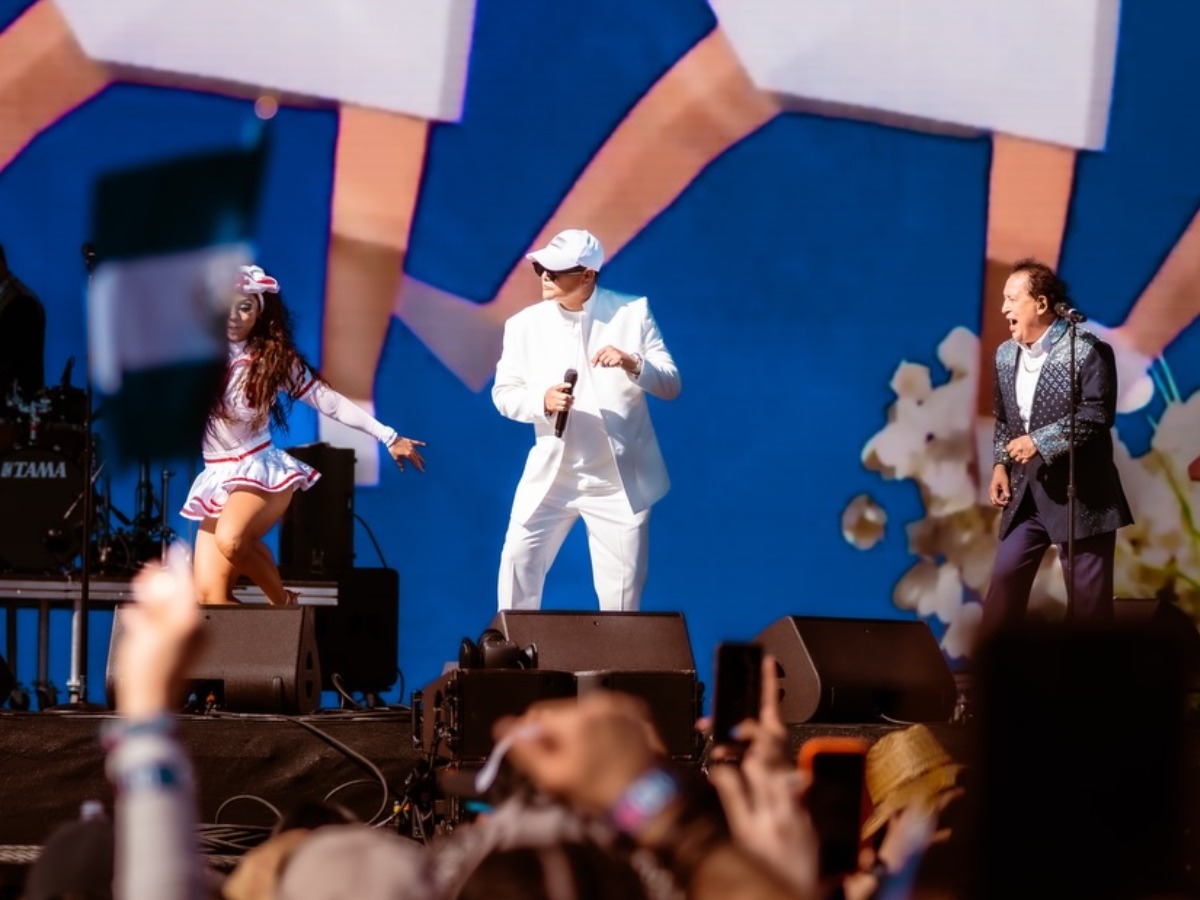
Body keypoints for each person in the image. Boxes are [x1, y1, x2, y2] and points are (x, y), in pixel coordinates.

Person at [180, 264, 426, 606]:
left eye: (246, 306)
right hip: (217, 474)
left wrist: (388, 436)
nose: (235, 315)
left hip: (257, 470)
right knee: (210, 598)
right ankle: (252, 652)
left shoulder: (272, 360)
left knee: (232, 540)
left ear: (260, 312)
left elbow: (331, 404)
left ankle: (283, 603)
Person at [492, 229, 681, 611]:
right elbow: (504, 393)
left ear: (587, 275)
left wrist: (632, 362)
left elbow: (671, 384)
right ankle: (510, 661)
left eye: (556, 271)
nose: (545, 276)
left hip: (617, 481)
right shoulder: (523, 325)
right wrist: (540, 400)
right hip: (554, 476)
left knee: (622, 598)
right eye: (541, 268)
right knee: (517, 561)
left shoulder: (631, 312)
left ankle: (618, 666)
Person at [981, 259, 1133, 632]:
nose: (1004, 309)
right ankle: (992, 686)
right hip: (1026, 496)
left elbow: (1097, 416)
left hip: (1082, 496)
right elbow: (1005, 419)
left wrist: (1039, 441)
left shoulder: (1086, 350)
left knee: (1088, 611)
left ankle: (1091, 689)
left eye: (1011, 299)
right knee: (1003, 588)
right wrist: (1001, 463)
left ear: (1042, 304)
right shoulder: (1004, 355)